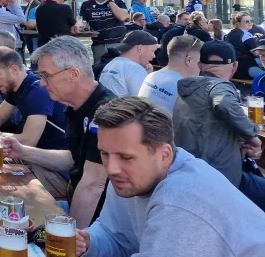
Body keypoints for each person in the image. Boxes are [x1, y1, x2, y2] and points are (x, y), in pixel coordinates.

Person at [76, 97, 265, 257]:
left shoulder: (180, 202)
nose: (111, 168)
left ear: (164, 155)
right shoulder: (129, 177)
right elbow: (115, 234)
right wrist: (89, 242)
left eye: (126, 157)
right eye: (105, 154)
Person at [4, 37, 115, 228]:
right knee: (8, 208)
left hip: (101, 224)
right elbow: (73, 158)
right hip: (76, 205)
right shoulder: (74, 107)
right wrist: (23, 152)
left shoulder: (105, 113)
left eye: (46, 75)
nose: (42, 84)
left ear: (73, 74)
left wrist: (69, 240)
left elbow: (93, 185)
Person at [172, 40, 265, 211]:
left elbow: (208, 130)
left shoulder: (189, 90)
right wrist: (253, 136)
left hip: (189, 173)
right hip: (220, 180)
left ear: (200, 65)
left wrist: (240, 143)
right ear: (235, 66)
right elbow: (223, 103)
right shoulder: (219, 85)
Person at [0, 47, 67, 151]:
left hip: (50, 163)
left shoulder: (37, 91)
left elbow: (28, 141)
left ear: (14, 69)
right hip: (29, 157)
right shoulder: (16, 87)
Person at [137, 35, 202, 113]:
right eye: (200, 61)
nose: (202, 65)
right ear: (189, 60)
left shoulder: (151, 76)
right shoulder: (185, 89)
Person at [79, 0, 129, 64]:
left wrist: (110, 1)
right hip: (98, 45)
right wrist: (81, 27)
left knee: (118, 70)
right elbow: (83, 23)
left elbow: (122, 17)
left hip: (118, 44)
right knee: (99, 71)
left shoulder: (118, 1)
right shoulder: (86, 5)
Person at [97, 30, 157, 97]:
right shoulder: (135, 69)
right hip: (123, 107)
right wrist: (149, 78)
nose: (154, 55)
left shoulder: (111, 63)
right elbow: (145, 101)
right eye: (152, 51)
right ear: (140, 48)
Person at [226, 11, 260, 79]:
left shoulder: (230, 34)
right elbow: (257, 53)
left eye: (251, 21)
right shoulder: (246, 34)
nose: (250, 23)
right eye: (246, 21)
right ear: (238, 23)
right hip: (247, 68)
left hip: (234, 69)